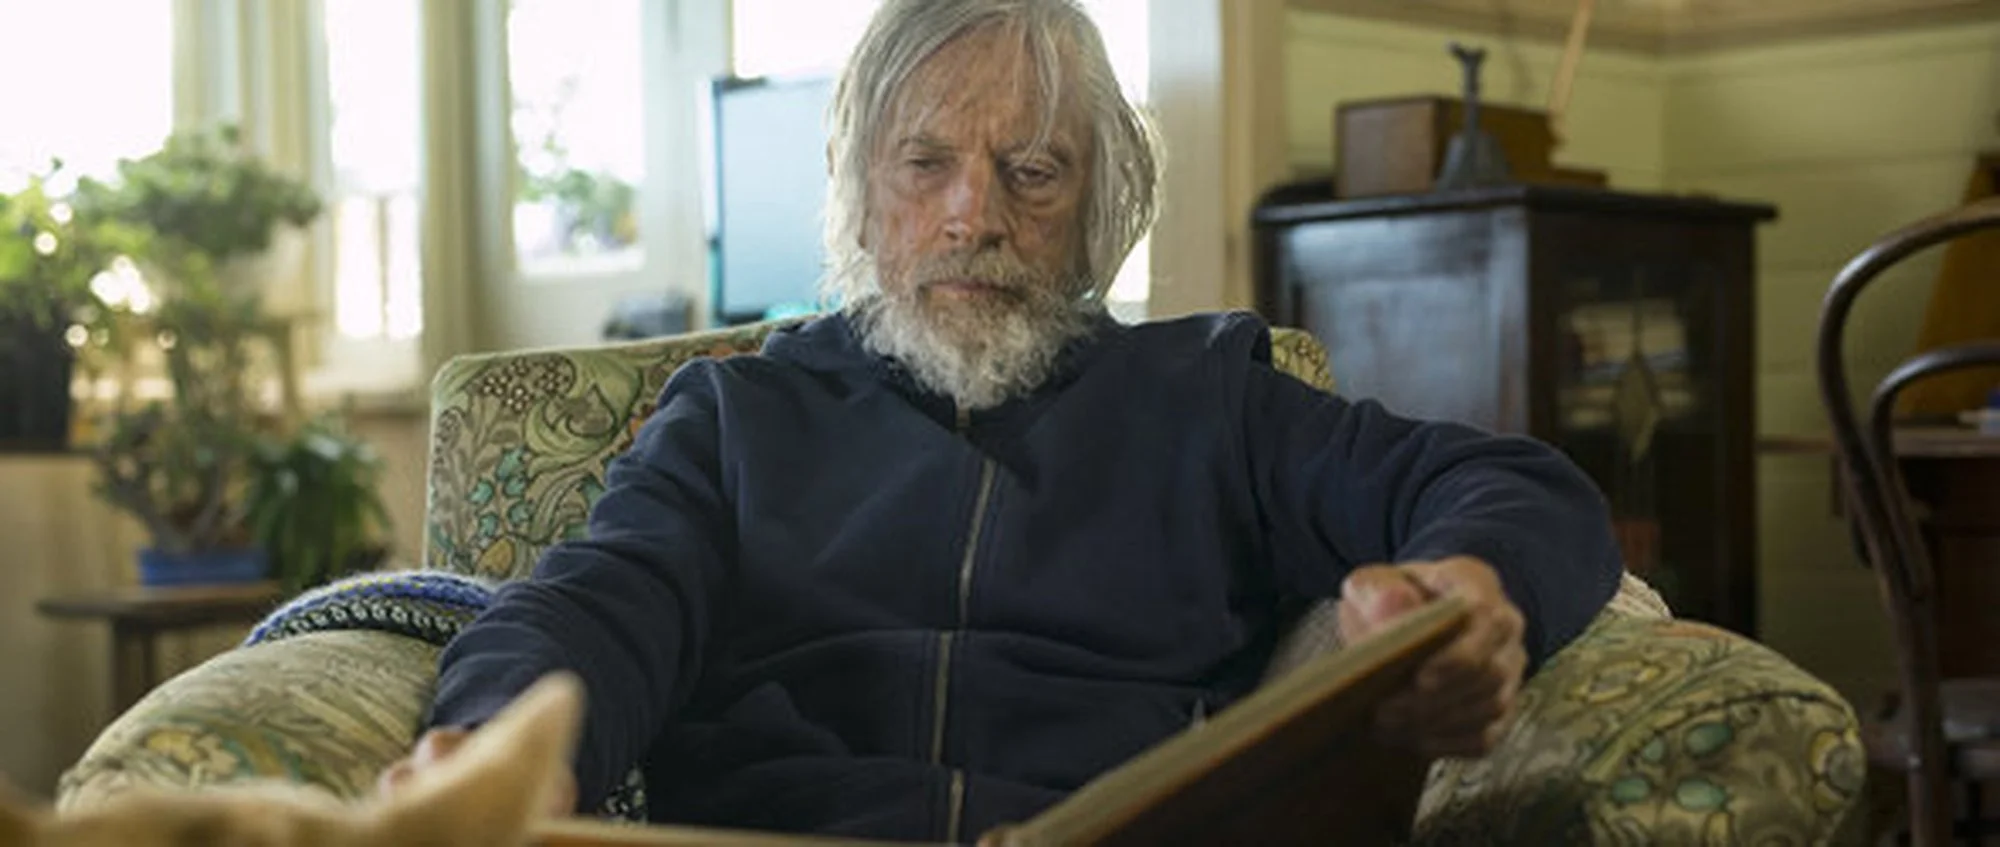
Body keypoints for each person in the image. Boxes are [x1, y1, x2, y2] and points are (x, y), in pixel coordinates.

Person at [378, 0, 1623, 841]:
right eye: (925, 164)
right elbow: (598, 601)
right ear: (861, 193)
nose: (972, 215)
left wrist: (1468, 591)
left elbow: (1514, 486)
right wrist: (496, 749)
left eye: (1031, 170)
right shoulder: (737, 416)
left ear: (1095, 210)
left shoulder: (1211, 399)